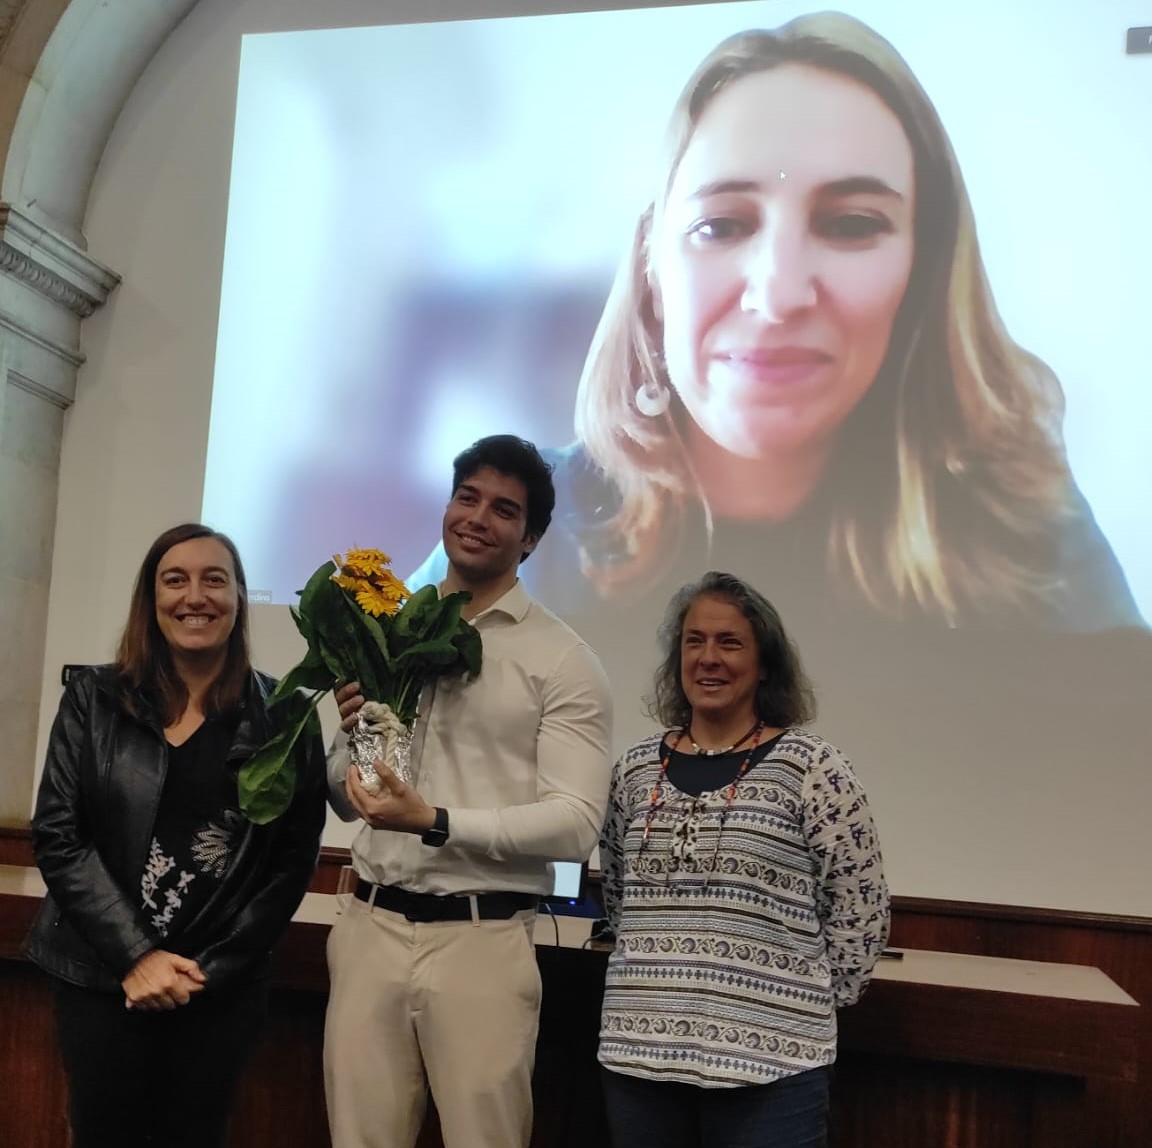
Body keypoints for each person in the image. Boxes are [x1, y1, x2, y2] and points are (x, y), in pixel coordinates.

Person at [406, 12, 1141, 633]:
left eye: (853, 223)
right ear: (651, 268)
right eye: (721, 225)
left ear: (925, 269)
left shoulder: (1023, 527)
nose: (779, 293)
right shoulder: (527, 512)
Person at [323, 433, 614, 1148]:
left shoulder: (562, 660)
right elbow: (343, 793)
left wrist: (436, 819)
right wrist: (351, 750)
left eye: (504, 509)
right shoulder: (389, 630)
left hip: (481, 942)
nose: (478, 517)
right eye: (467, 497)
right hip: (369, 928)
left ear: (532, 539)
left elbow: (576, 825)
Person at [25, 523, 328, 1148]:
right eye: (175, 580)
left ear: (240, 597)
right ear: (151, 599)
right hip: (101, 977)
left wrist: (210, 972)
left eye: (215, 579)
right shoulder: (94, 699)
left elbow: (292, 861)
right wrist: (137, 957)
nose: (196, 596)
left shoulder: (285, 714)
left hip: (217, 989)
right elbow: (58, 834)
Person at [598, 570, 889, 1148]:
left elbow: (861, 911)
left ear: (764, 664)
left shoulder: (815, 769)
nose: (709, 658)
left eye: (730, 643)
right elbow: (617, 895)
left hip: (773, 1071)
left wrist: (789, 1005)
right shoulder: (633, 771)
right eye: (694, 641)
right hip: (638, 1060)